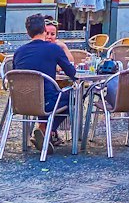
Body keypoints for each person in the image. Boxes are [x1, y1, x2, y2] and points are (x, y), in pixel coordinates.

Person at [9, 13, 79, 143]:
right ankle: (47, 130)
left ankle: (43, 129)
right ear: (44, 30)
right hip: (46, 102)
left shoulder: (19, 52)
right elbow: (71, 73)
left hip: (20, 102)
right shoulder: (53, 48)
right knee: (74, 96)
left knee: (48, 93)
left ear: (27, 32)